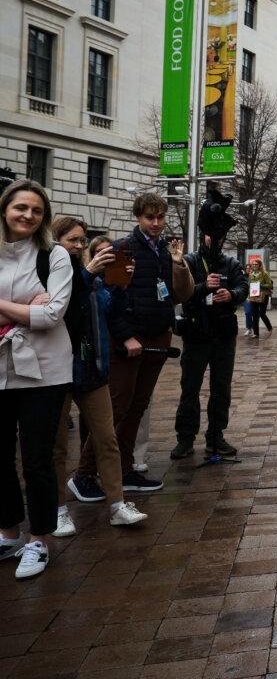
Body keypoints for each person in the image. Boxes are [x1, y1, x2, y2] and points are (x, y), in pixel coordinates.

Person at [85, 192, 191, 494]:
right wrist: (125, 335)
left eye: (160, 217)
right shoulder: (123, 249)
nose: (156, 223)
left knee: (138, 407)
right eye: (149, 217)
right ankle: (84, 473)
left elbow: (174, 294)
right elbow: (111, 300)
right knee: (117, 407)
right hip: (129, 340)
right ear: (138, 217)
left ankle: (126, 469)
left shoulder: (164, 250)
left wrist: (177, 263)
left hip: (157, 336)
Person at [48, 217, 147, 536]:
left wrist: (120, 286)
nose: (78, 246)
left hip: (92, 368)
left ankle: (118, 505)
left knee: (107, 438)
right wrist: (89, 273)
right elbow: (63, 306)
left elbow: (108, 308)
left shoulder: (94, 279)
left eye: (81, 240)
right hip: (59, 368)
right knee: (57, 445)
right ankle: (58, 510)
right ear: (55, 240)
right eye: (72, 240)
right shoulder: (53, 272)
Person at [0, 180, 74, 579]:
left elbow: (51, 316)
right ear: (5, 210)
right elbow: (34, 313)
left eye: (36, 210)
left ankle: (40, 540)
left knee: (37, 459)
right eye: (20, 208)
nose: (27, 215)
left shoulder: (55, 255)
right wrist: (21, 307)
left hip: (44, 373)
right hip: (0, 371)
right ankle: (9, 531)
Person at [171, 233, 249, 459]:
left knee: (221, 388)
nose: (214, 239)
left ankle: (216, 436)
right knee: (190, 387)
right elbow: (182, 293)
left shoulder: (231, 263)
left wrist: (231, 294)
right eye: (210, 234)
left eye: (219, 235)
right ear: (203, 235)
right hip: (196, 333)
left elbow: (243, 287)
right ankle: (185, 439)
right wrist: (204, 286)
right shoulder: (191, 261)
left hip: (224, 334)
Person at [247, 259, 273, 338]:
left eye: (256, 264)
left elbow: (269, 285)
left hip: (263, 296)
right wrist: (248, 297)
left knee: (262, 314)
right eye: (253, 264)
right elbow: (249, 286)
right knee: (254, 315)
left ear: (260, 265)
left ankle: (269, 327)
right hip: (254, 296)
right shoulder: (251, 274)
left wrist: (260, 285)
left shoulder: (264, 274)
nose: (254, 266)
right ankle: (256, 333)